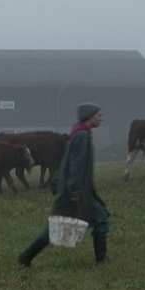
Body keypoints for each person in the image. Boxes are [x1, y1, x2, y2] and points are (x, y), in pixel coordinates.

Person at [17, 102, 110, 266]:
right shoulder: (81, 136)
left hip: (81, 189)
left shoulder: (81, 133)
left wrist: (57, 182)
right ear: (89, 116)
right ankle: (25, 256)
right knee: (55, 228)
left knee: (101, 217)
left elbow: (66, 162)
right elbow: (75, 164)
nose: (101, 119)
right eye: (99, 115)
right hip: (74, 191)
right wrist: (75, 191)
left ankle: (101, 259)